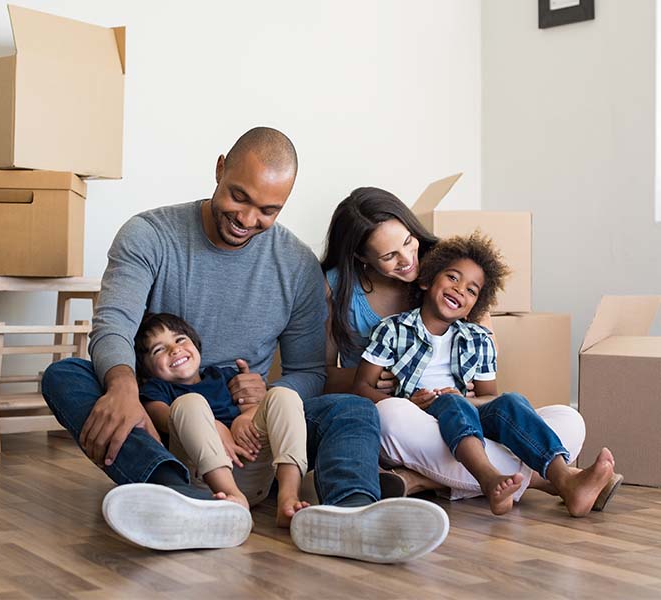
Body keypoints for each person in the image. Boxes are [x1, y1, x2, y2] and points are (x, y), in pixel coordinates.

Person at [42, 127, 449, 562]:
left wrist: (263, 401)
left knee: (352, 408)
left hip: (254, 431)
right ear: (220, 169)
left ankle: (349, 512)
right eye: (239, 197)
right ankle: (172, 491)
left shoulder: (295, 266)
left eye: (268, 210)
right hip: (163, 412)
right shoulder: (149, 235)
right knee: (66, 376)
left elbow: (309, 371)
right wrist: (123, 387)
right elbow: (114, 324)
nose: (247, 218)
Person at [321, 187, 622, 511]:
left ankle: (419, 479)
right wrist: (391, 384)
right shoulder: (363, 307)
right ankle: (551, 481)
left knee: (568, 420)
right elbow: (324, 376)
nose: (409, 260)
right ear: (362, 258)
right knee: (393, 415)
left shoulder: (454, 271)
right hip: (403, 418)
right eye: (389, 256)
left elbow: (488, 391)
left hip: (465, 414)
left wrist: (467, 399)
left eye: (408, 241)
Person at [134, 311, 309, 527]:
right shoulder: (156, 389)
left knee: (284, 395)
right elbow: (163, 419)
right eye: (159, 349)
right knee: (190, 402)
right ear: (146, 369)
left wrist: (244, 418)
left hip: (252, 466)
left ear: (196, 346)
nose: (175, 349)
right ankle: (232, 497)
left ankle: (289, 498)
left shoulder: (223, 376)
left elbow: (256, 408)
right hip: (206, 480)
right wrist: (213, 426)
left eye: (180, 339)